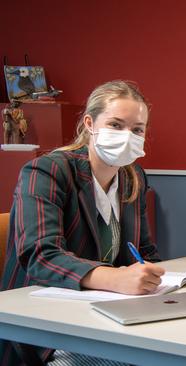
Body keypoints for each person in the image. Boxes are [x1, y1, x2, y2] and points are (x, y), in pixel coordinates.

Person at [1, 80, 164, 365]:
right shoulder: (48, 170)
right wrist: (115, 278)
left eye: (137, 129)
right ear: (89, 123)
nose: (128, 135)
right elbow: (40, 255)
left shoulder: (132, 177)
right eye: (115, 125)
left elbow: (144, 250)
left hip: (107, 317)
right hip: (45, 330)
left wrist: (152, 278)